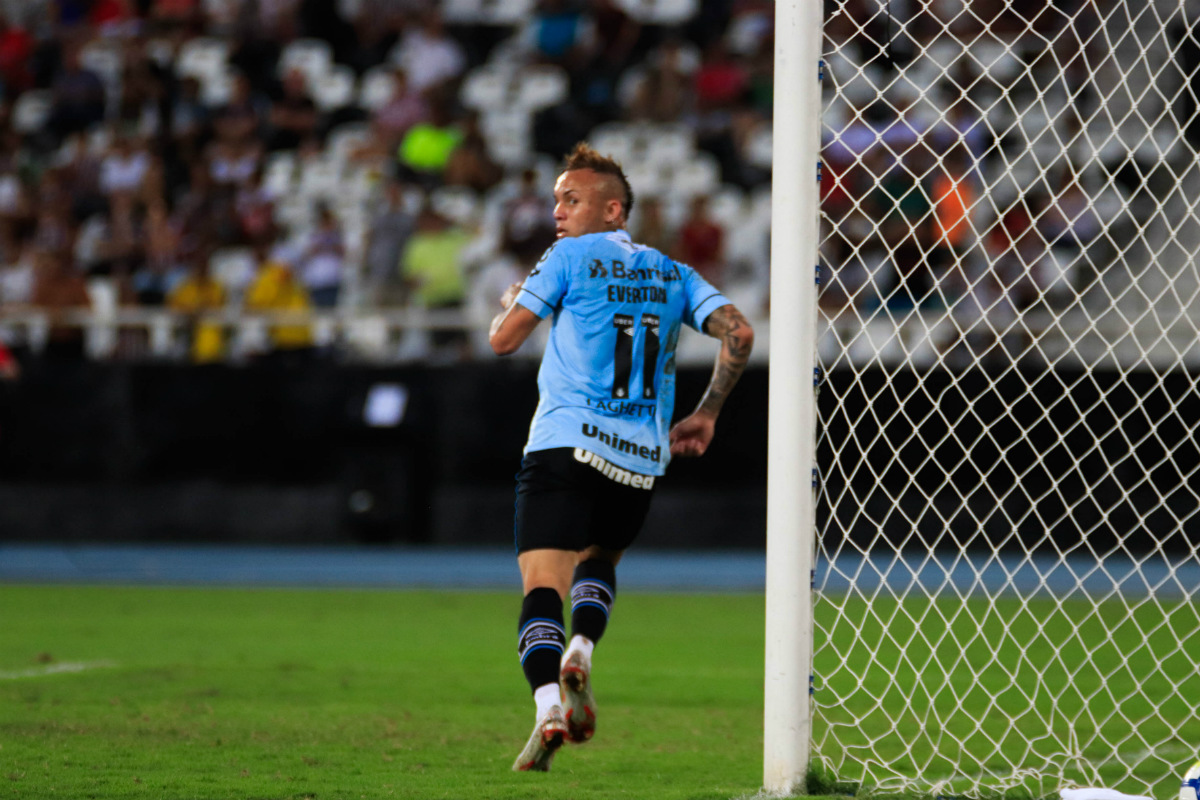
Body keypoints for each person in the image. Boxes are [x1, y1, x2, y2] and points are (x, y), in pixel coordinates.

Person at [488, 143, 754, 772]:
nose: (558, 211)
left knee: (541, 586)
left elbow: (504, 342)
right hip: (638, 456)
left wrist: (512, 301)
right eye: (557, 199)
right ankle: (582, 647)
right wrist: (707, 412)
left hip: (565, 442)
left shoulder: (566, 257)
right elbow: (740, 332)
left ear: (613, 210)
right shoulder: (672, 272)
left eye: (572, 199)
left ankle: (548, 707)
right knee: (599, 561)